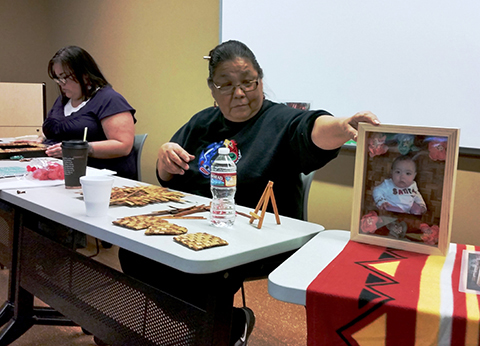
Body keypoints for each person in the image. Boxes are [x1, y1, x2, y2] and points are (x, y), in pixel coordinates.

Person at [119, 40, 380, 346]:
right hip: (201, 227)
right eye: (226, 85)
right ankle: (222, 324)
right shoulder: (202, 123)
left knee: (196, 270)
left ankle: (213, 328)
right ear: (212, 89)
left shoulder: (280, 120)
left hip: (258, 239)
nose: (239, 93)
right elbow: (170, 179)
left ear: (260, 79)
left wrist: (343, 124)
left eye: (248, 82)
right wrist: (165, 157)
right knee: (135, 254)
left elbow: (311, 129)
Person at [42, 46, 137, 179]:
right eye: (58, 79)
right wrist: (38, 142)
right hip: (59, 174)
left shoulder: (109, 99)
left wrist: (78, 149)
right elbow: (58, 133)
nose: (61, 84)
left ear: (85, 75)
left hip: (99, 178)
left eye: (64, 78)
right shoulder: (63, 100)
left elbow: (123, 145)